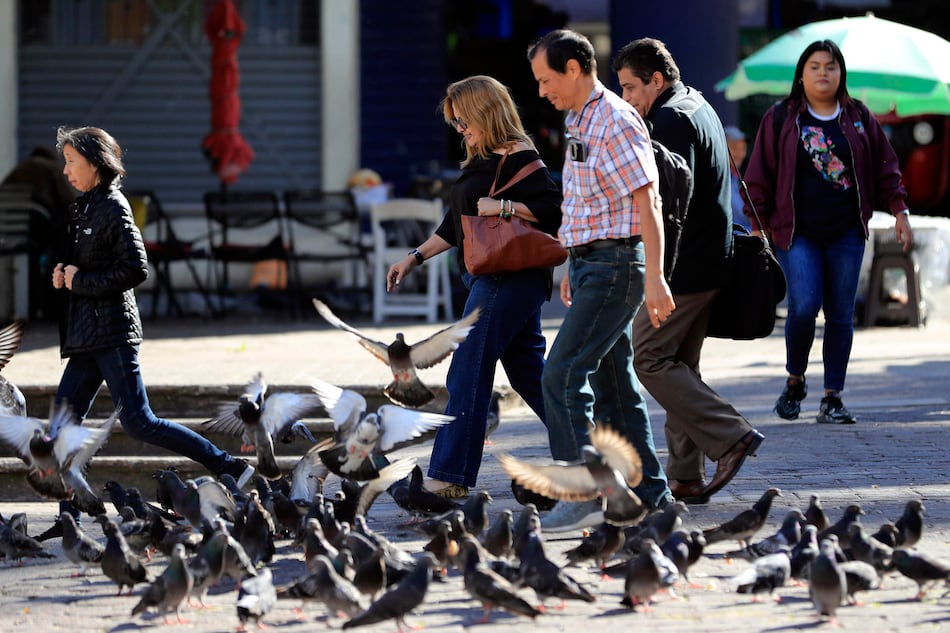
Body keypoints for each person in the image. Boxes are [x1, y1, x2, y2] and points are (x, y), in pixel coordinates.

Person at [51, 126, 253, 518]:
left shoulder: (113, 205)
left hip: (111, 333)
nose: (65, 170)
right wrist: (65, 273)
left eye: (71, 161)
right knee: (61, 428)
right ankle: (69, 518)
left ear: (95, 164)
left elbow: (135, 268)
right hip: (86, 336)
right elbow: (91, 266)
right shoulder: (86, 206)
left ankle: (229, 466)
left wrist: (82, 281)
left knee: (140, 422)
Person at [526, 29, 676, 532]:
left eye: (547, 79)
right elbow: (583, 199)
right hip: (593, 264)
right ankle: (653, 497)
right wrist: (571, 261)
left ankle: (584, 490)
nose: (542, 90)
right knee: (615, 387)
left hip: (617, 267)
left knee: (561, 375)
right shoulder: (578, 118)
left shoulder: (614, 119)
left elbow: (647, 200)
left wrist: (655, 277)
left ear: (574, 69)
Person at [386, 76, 563, 499]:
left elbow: (554, 212)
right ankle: (596, 456)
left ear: (486, 112)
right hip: (495, 278)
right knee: (532, 377)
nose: (460, 129)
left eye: (464, 120)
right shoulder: (485, 160)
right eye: (455, 123)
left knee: (467, 368)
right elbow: (456, 226)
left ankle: (449, 477)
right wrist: (414, 257)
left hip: (508, 278)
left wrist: (503, 206)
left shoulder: (521, 158)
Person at [613, 38, 765, 505]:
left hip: (685, 267)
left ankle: (732, 434)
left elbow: (666, 199)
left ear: (656, 80)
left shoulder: (670, 119)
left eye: (630, 87)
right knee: (680, 365)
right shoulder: (698, 104)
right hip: (710, 259)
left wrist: (654, 270)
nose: (625, 100)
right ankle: (685, 477)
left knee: (650, 358)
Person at [743, 40, 913, 425]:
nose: (823, 73)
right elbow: (757, 177)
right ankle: (794, 379)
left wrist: (900, 210)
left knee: (839, 315)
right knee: (803, 307)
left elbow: (887, 167)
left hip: (846, 233)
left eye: (831, 66)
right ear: (801, 74)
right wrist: (758, 226)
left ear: (842, 74)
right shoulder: (781, 118)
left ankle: (832, 397)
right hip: (796, 232)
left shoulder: (858, 117)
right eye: (815, 66)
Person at [2, 146, 76, 319]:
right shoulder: (50, 167)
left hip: (7, 226)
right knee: (61, 248)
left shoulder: (19, 169)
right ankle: (52, 305)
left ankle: (30, 305)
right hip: (34, 220)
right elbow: (69, 201)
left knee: (30, 256)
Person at [723, 126, 751, 231]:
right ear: (722, 148)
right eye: (734, 148)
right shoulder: (721, 179)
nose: (740, 154)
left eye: (743, 148)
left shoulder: (737, 177)